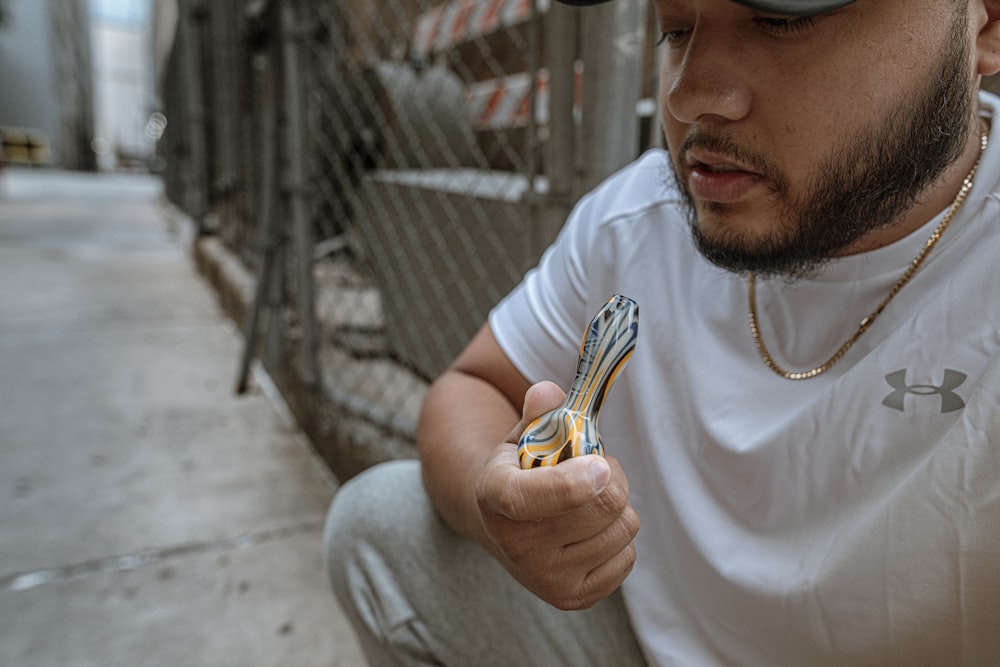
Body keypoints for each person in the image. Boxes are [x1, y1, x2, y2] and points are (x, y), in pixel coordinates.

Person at [324, 0, 1000, 664]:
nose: (689, 96)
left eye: (782, 19)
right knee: (381, 524)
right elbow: (475, 385)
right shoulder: (638, 219)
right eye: (674, 29)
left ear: (985, 21)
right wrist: (510, 508)